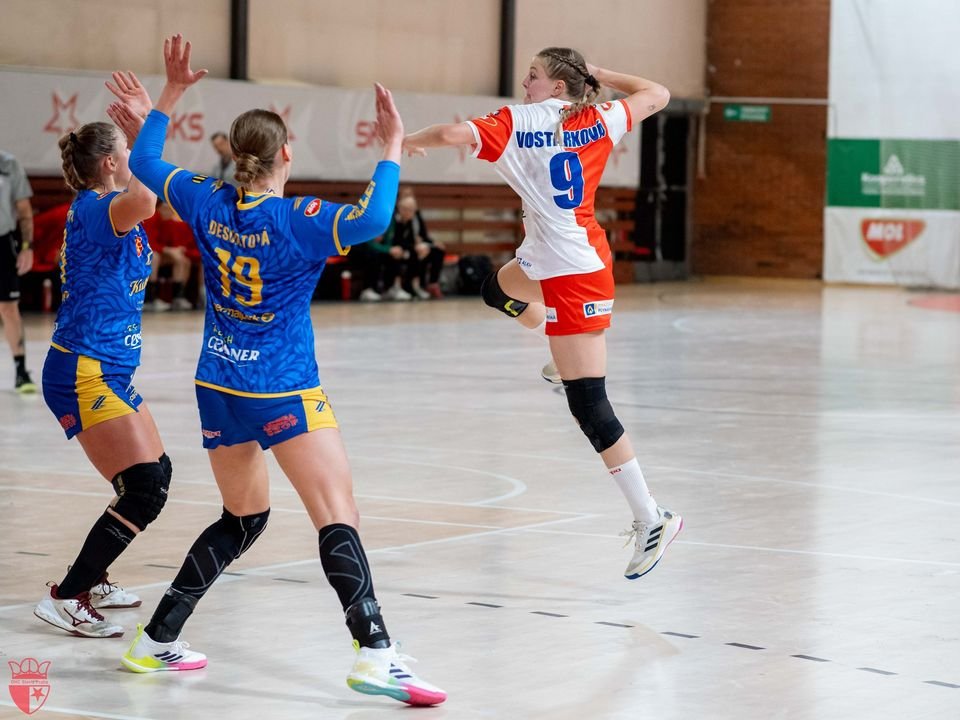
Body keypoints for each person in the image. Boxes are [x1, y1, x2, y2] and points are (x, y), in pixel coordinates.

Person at [112, 34, 445, 706]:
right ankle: (376, 653)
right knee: (337, 512)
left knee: (243, 516)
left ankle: (156, 637)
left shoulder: (206, 198)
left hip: (217, 383)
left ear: (238, 155)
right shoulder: (299, 220)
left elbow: (144, 160)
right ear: (286, 154)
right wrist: (391, 145)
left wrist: (168, 96)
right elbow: (377, 218)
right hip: (283, 386)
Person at [403, 47, 681, 580]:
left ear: (556, 86)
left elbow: (452, 134)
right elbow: (659, 94)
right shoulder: (601, 116)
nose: (524, 81)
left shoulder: (518, 121)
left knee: (589, 405)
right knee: (496, 289)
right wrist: (602, 75)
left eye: (533, 75)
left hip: (574, 271)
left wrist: (406, 140)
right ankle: (557, 346)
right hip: (549, 257)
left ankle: (652, 517)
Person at [33, 72, 169, 639]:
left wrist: (146, 129)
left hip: (108, 365)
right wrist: (152, 119)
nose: (135, 156)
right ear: (112, 163)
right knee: (145, 488)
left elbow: (160, 196)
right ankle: (68, 596)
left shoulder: (112, 207)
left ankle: (96, 576)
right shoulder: (97, 208)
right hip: (83, 368)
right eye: (127, 150)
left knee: (154, 474)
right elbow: (148, 196)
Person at [0, 149, 37, 392]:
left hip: (3, 241)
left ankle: (21, 371)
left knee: (8, 307)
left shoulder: (8, 164)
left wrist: (27, 247)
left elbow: (24, 210)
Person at [382, 191, 445, 300]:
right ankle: (397, 287)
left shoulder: (411, 219)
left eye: (412, 209)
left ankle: (425, 285)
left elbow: (420, 236)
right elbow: (394, 240)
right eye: (407, 209)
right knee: (410, 254)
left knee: (431, 251)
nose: (410, 212)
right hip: (392, 248)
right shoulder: (394, 218)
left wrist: (429, 243)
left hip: (408, 247)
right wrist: (413, 246)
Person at [142, 202, 194, 311]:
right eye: (167, 209)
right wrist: (168, 250)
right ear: (159, 208)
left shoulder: (166, 222)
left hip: (159, 252)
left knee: (182, 260)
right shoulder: (151, 217)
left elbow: (168, 242)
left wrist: (176, 249)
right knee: (155, 257)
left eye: (171, 210)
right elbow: (149, 244)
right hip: (142, 253)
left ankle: (177, 298)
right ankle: (150, 299)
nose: (170, 213)